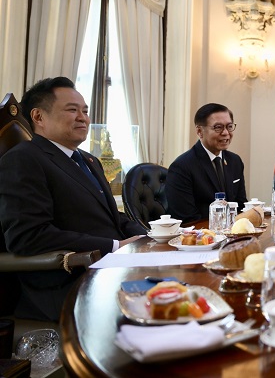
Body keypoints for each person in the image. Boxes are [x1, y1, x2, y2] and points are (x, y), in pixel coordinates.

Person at [0, 77, 146, 321]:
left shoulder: (89, 160)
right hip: (69, 281)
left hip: (113, 270)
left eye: (85, 111)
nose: (83, 118)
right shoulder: (23, 159)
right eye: (72, 110)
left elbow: (112, 217)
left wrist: (150, 237)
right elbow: (27, 235)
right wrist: (115, 246)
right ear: (38, 116)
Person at [166, 103, 247, 222]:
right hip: (199, 231)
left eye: (229, 126)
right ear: (200, 131)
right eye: (218, 127)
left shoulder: (235, 161)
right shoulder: (181, 167)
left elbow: (241, 205)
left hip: (232, 230)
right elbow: (187, 218)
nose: (226, 133)